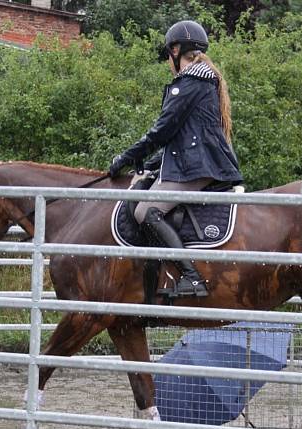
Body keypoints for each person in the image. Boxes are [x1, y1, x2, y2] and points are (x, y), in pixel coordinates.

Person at [108, 20, 243, 298]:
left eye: (169, 55)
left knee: (145, 211)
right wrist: (152, 163)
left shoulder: (191, 80)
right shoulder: (204, 79)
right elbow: (182, 136)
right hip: (197, 162)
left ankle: (192, 277)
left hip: (198, 168)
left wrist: (127, 156)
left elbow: (163, 129)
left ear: (177, 50)